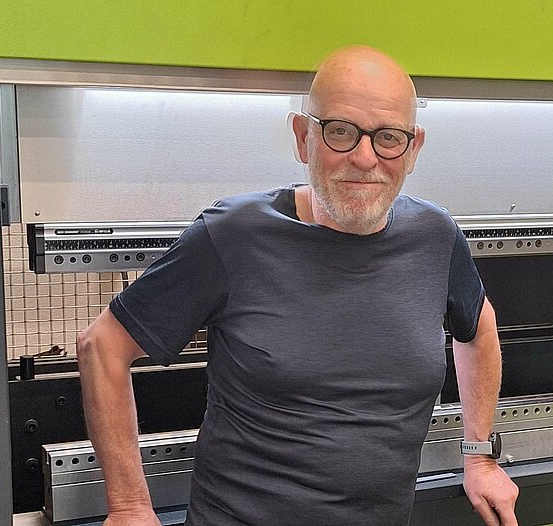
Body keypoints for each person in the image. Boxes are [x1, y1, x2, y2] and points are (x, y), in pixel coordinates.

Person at [77, 45, 519, 526]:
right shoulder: (234, 234)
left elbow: (479, 327)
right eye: (340, 131)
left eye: (388, 137)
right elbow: (103, 346)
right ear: (303, 137)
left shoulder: (435, 236)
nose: (365, 158)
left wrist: (480, 456)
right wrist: (129, 507)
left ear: (413, 149)